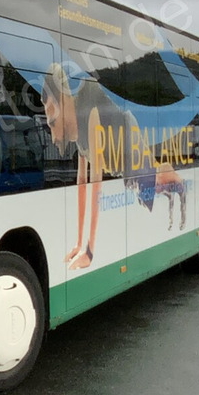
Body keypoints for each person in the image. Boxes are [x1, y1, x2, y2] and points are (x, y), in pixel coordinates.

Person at [41, 62, 134, 269]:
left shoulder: (89, 110)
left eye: (52, 123)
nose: (53, 136)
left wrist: (89, 252)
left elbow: (96, 183)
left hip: (132, 145)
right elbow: (82, 181)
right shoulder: (75, 126)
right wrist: (77, 244)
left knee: (164, 177)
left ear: (63, 104)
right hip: (120, 162)